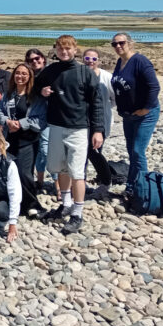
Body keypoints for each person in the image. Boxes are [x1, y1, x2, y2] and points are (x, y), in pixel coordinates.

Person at [35, 35, 104, 234]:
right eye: (60, 49)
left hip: (79, 128)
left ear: (75, 50)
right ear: (55, 50)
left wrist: (97, 130)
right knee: (59, 168)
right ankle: (65, 204)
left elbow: (97, 102)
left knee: (77, 172)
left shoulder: (85, 72)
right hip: (55, 126)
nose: (64, 52)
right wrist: (43, 91)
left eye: (68, 49)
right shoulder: (51, 70)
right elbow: (36, 84)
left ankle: (77, 213)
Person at [110, 32, 161, 197]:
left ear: (130, 43)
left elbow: (154, 87)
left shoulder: (140, 61)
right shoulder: (120, 62)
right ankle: (131, 186)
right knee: (131, 151)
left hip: (145, 114)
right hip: (128, 115)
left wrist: (146, 108)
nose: (118, 46)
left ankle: (144, 191)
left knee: (138, 151)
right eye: (114, 44)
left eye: (121, 43)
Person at [0, 63, 46, 216]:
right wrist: (7, 122)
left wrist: (21, 123)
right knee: (11, 172)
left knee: (25, 174)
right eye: (17, 73)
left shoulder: (35, 97)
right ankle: (16, 201)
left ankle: (32, 205)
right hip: (10, 140)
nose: (20, 76)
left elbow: (41, 120)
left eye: (24, 74)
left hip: (28, 141)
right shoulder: (8, 94)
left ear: (29, 77)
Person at [83, 49, 116, 189]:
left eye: (94, 59)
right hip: (82, 121)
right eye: (87, 58)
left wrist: (105, 108)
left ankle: (105, 181)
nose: (91, 61)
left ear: (99, 61)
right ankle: (80, 181)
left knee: (95, 152)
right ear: (83, 59)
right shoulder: (80, 74)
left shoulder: (107, 77)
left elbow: (115, 98)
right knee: (81, 153)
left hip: (101, 121)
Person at [24, 49, 51, 191]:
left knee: (46, 150)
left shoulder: (51, 73)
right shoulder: (28, 76)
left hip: (50, 119)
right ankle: (39, 181)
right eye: (31, 60)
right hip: (32, 119)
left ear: (43, 58)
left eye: (37, 58)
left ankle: (58, 185)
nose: (35, 61)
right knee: (38, 151)